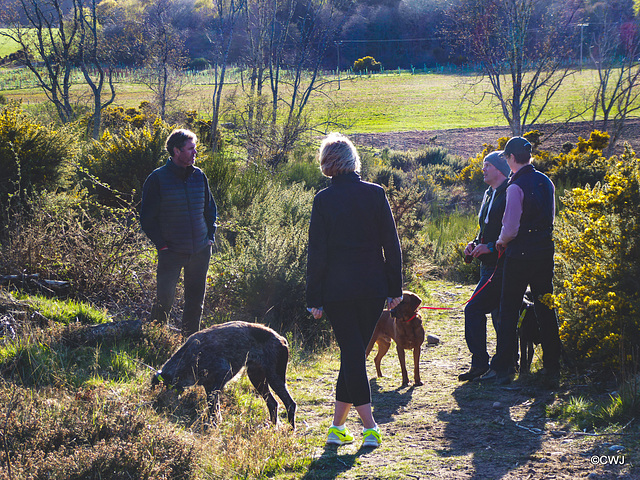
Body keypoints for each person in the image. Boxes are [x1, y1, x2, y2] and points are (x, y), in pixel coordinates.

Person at [306, 133, 403, 448]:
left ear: (327, 163)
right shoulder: (375, 194)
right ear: (352, 160)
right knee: (354, 354)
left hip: (336, 292)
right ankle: (367, 427)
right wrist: (395, 287)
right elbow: (392, 243)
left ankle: (344, 428)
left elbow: (316, 253)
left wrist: (313, 298)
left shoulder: (323, 200)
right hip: (372, 289)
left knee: (353, 355)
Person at [478, 137, 562, 385]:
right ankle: (552, 364)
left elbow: (511, 227)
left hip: (519, 254)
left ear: (511, 158)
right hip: (545, 251)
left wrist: (501, 242)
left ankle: (503, 367)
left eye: (506, 157)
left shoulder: (515, 186)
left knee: (508, 309)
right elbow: (551, 218)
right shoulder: (546, 181)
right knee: (546, 306)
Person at [140, 128, 217, 338]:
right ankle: (156, 341)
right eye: (190, 149)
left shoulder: (199, 176)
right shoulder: (157, 179)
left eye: (195, 149)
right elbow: (147, 219)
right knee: (164, 300)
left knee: (195, 303)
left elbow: (210, 209)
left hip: (200, 251)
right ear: (176, 151)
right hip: (171, 252)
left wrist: (210, 237)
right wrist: (162, 245)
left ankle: (189, 345)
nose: (195, 153)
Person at [458, 151, 510, 381]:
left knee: (474, 309)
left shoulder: (510, 192)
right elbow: (485, 227)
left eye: (487, 165)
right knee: (499, 313)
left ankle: (482, 364)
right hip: (487, 265)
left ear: (499, 169)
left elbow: (512, 231)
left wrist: (490, 246)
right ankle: (504, 365)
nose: (482, 169)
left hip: (502, 265)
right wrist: (475, 243)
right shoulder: (489, 193)